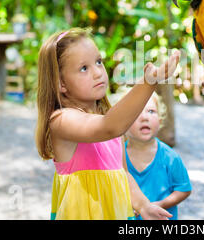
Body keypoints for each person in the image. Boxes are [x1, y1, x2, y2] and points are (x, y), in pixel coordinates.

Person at [34, 27, 180, 220]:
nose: (97, 73)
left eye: (98, 62)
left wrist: (144, 205)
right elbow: (108, 126)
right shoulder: (61, 120)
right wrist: (149, 82)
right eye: (84, 68)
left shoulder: (109, 123)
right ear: (61, 83)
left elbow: (123, 175)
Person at [124, 91, 192, 220]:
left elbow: (184, 189)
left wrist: (161, 204)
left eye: (151, 111)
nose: (145, 117)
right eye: (137, 111)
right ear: (123, 122)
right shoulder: (117, 156)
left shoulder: (170, 157)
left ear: (160, 121)